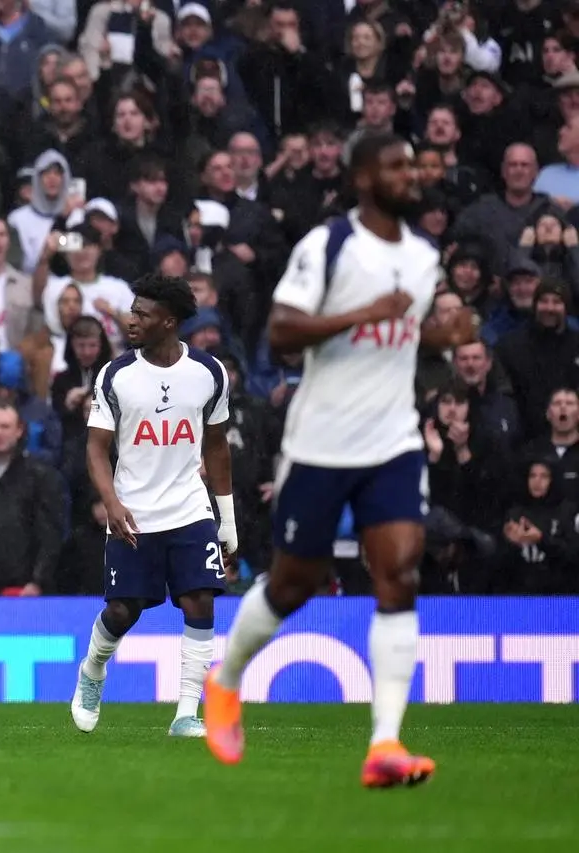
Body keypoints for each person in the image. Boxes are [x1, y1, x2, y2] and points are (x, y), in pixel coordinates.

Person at [203, 133, 477, 787]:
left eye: (411, 165)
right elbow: (282, 334)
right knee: (293, 584)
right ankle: (227, 678)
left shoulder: (421, 254)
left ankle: (384, 743)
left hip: (392, 441)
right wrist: (362, 314)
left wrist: (442, 336)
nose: (408, 175)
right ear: (360, 175)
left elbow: (405, 341)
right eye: (393, 165)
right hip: (321, 444)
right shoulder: (328, 245)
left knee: (400, 574)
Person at [71, 274, 237, 739]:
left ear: (170, 321)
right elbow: (96, 449)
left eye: (142, 314)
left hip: (189, 507)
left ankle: (187, 712)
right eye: (132, 311)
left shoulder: (209, 373)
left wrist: (227, 522)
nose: (131, 320)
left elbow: (218, 447)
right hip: (134, 513)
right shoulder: (116, 375)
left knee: (199, 600)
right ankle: (92, 671)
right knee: (124, 610)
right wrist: (112, 502)